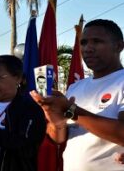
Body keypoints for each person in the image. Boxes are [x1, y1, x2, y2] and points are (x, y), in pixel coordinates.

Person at [31, 19, 124, 171]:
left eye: (97, 42)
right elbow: (59, 139)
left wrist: (71, 110)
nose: (88, 48)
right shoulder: (75, 87)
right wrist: (57, 123)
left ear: (119, 46)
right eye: (84, 43)